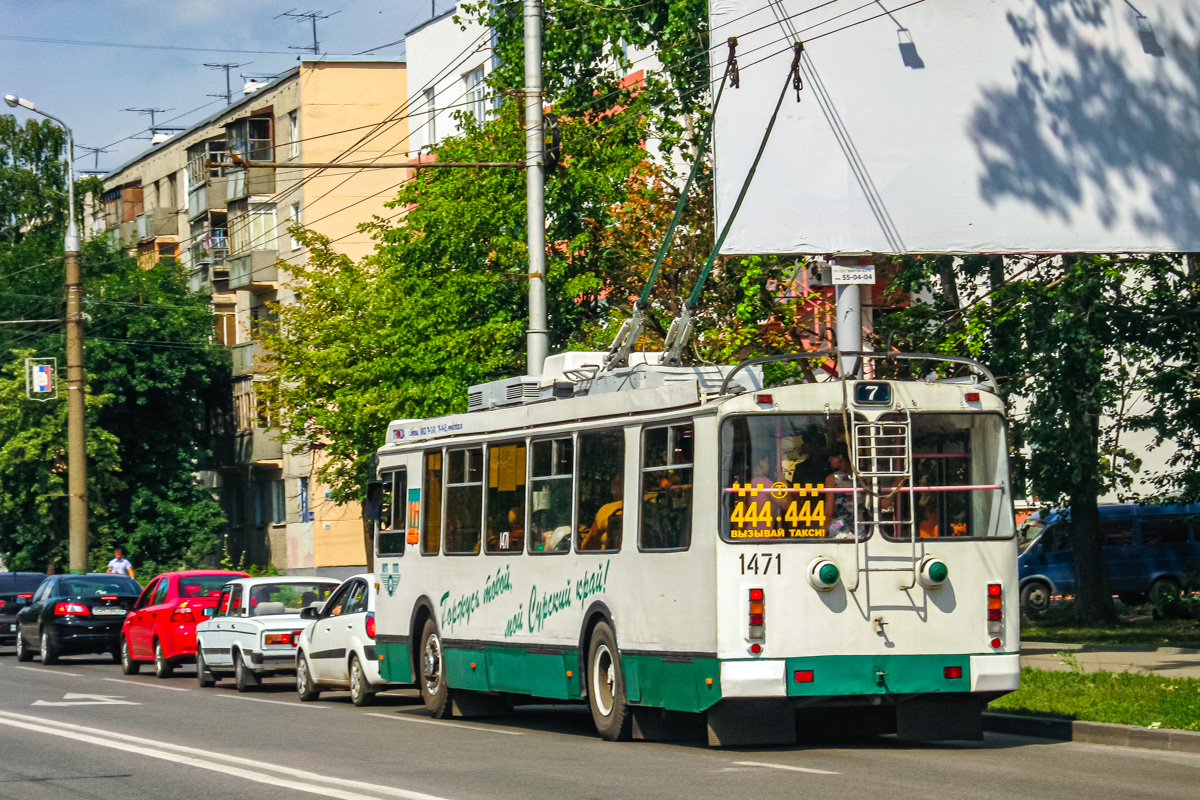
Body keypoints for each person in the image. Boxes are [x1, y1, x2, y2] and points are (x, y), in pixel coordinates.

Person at [823, 445, 871, 540]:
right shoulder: (864, 477)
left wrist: (823, 530)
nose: (829, 460)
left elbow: (829, 512)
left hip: (839, 528)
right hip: (860, 528)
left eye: (832, 457)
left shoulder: (832, 479)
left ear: (840, 457)